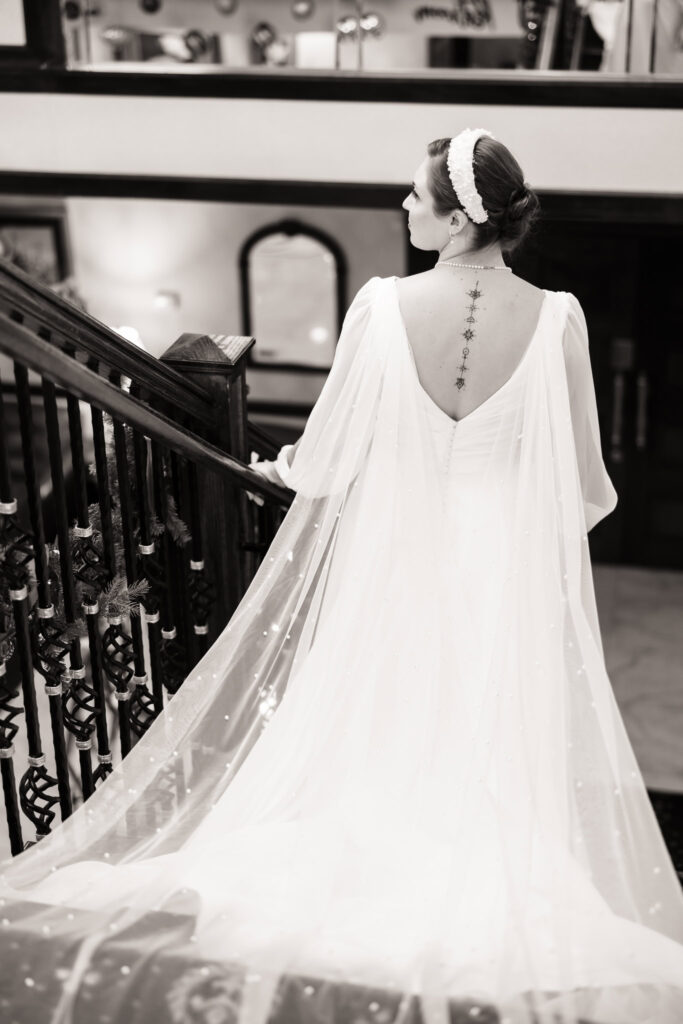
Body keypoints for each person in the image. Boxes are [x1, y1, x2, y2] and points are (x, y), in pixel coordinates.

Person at [2, 128, 683, 1024]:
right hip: (488, 556)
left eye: (413, 195)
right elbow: (585, 489)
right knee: (479, 720)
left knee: (383, 709)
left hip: (394, 554)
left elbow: (325, 459)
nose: (403, 207)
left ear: (455, 216)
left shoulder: (378, 307)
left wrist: (281, 472)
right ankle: (467, 860)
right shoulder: (559, 317)